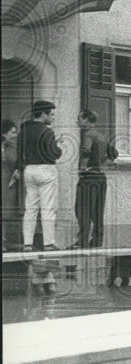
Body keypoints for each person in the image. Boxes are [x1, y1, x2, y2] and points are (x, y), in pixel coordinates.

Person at [18, 100, 62, 251]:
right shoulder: (47, 131)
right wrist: (59, 146)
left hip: (29, 169)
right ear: (43, 114)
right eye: (51, 114)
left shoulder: (23, 130)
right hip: (46, 169)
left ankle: (27, 244)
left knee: (30, 208)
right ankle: (48, 243)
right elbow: (53, 154)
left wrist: (19, 169)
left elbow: (19, 154)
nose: (53, 117)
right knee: (48, 207)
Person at [74, 110, 113, 248]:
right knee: (97, 211)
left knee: (82, 209)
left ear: (87, 120)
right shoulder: (101, 136)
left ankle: (83, 241)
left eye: (79, 119)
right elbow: (114, 153)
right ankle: (97, 241)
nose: (77, 122)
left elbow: (86, 151)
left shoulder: (88, 135)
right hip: (101, 178)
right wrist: (101, 166)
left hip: (88, 178)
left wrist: (82, 168)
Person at [2, 119, 20, 250]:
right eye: (12, 133)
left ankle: (2, 240)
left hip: (8, 183)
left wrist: (18, 170)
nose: (15, 135)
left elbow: (18, 161)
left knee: (5, 213)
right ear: (4, 134)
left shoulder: (13, 148)